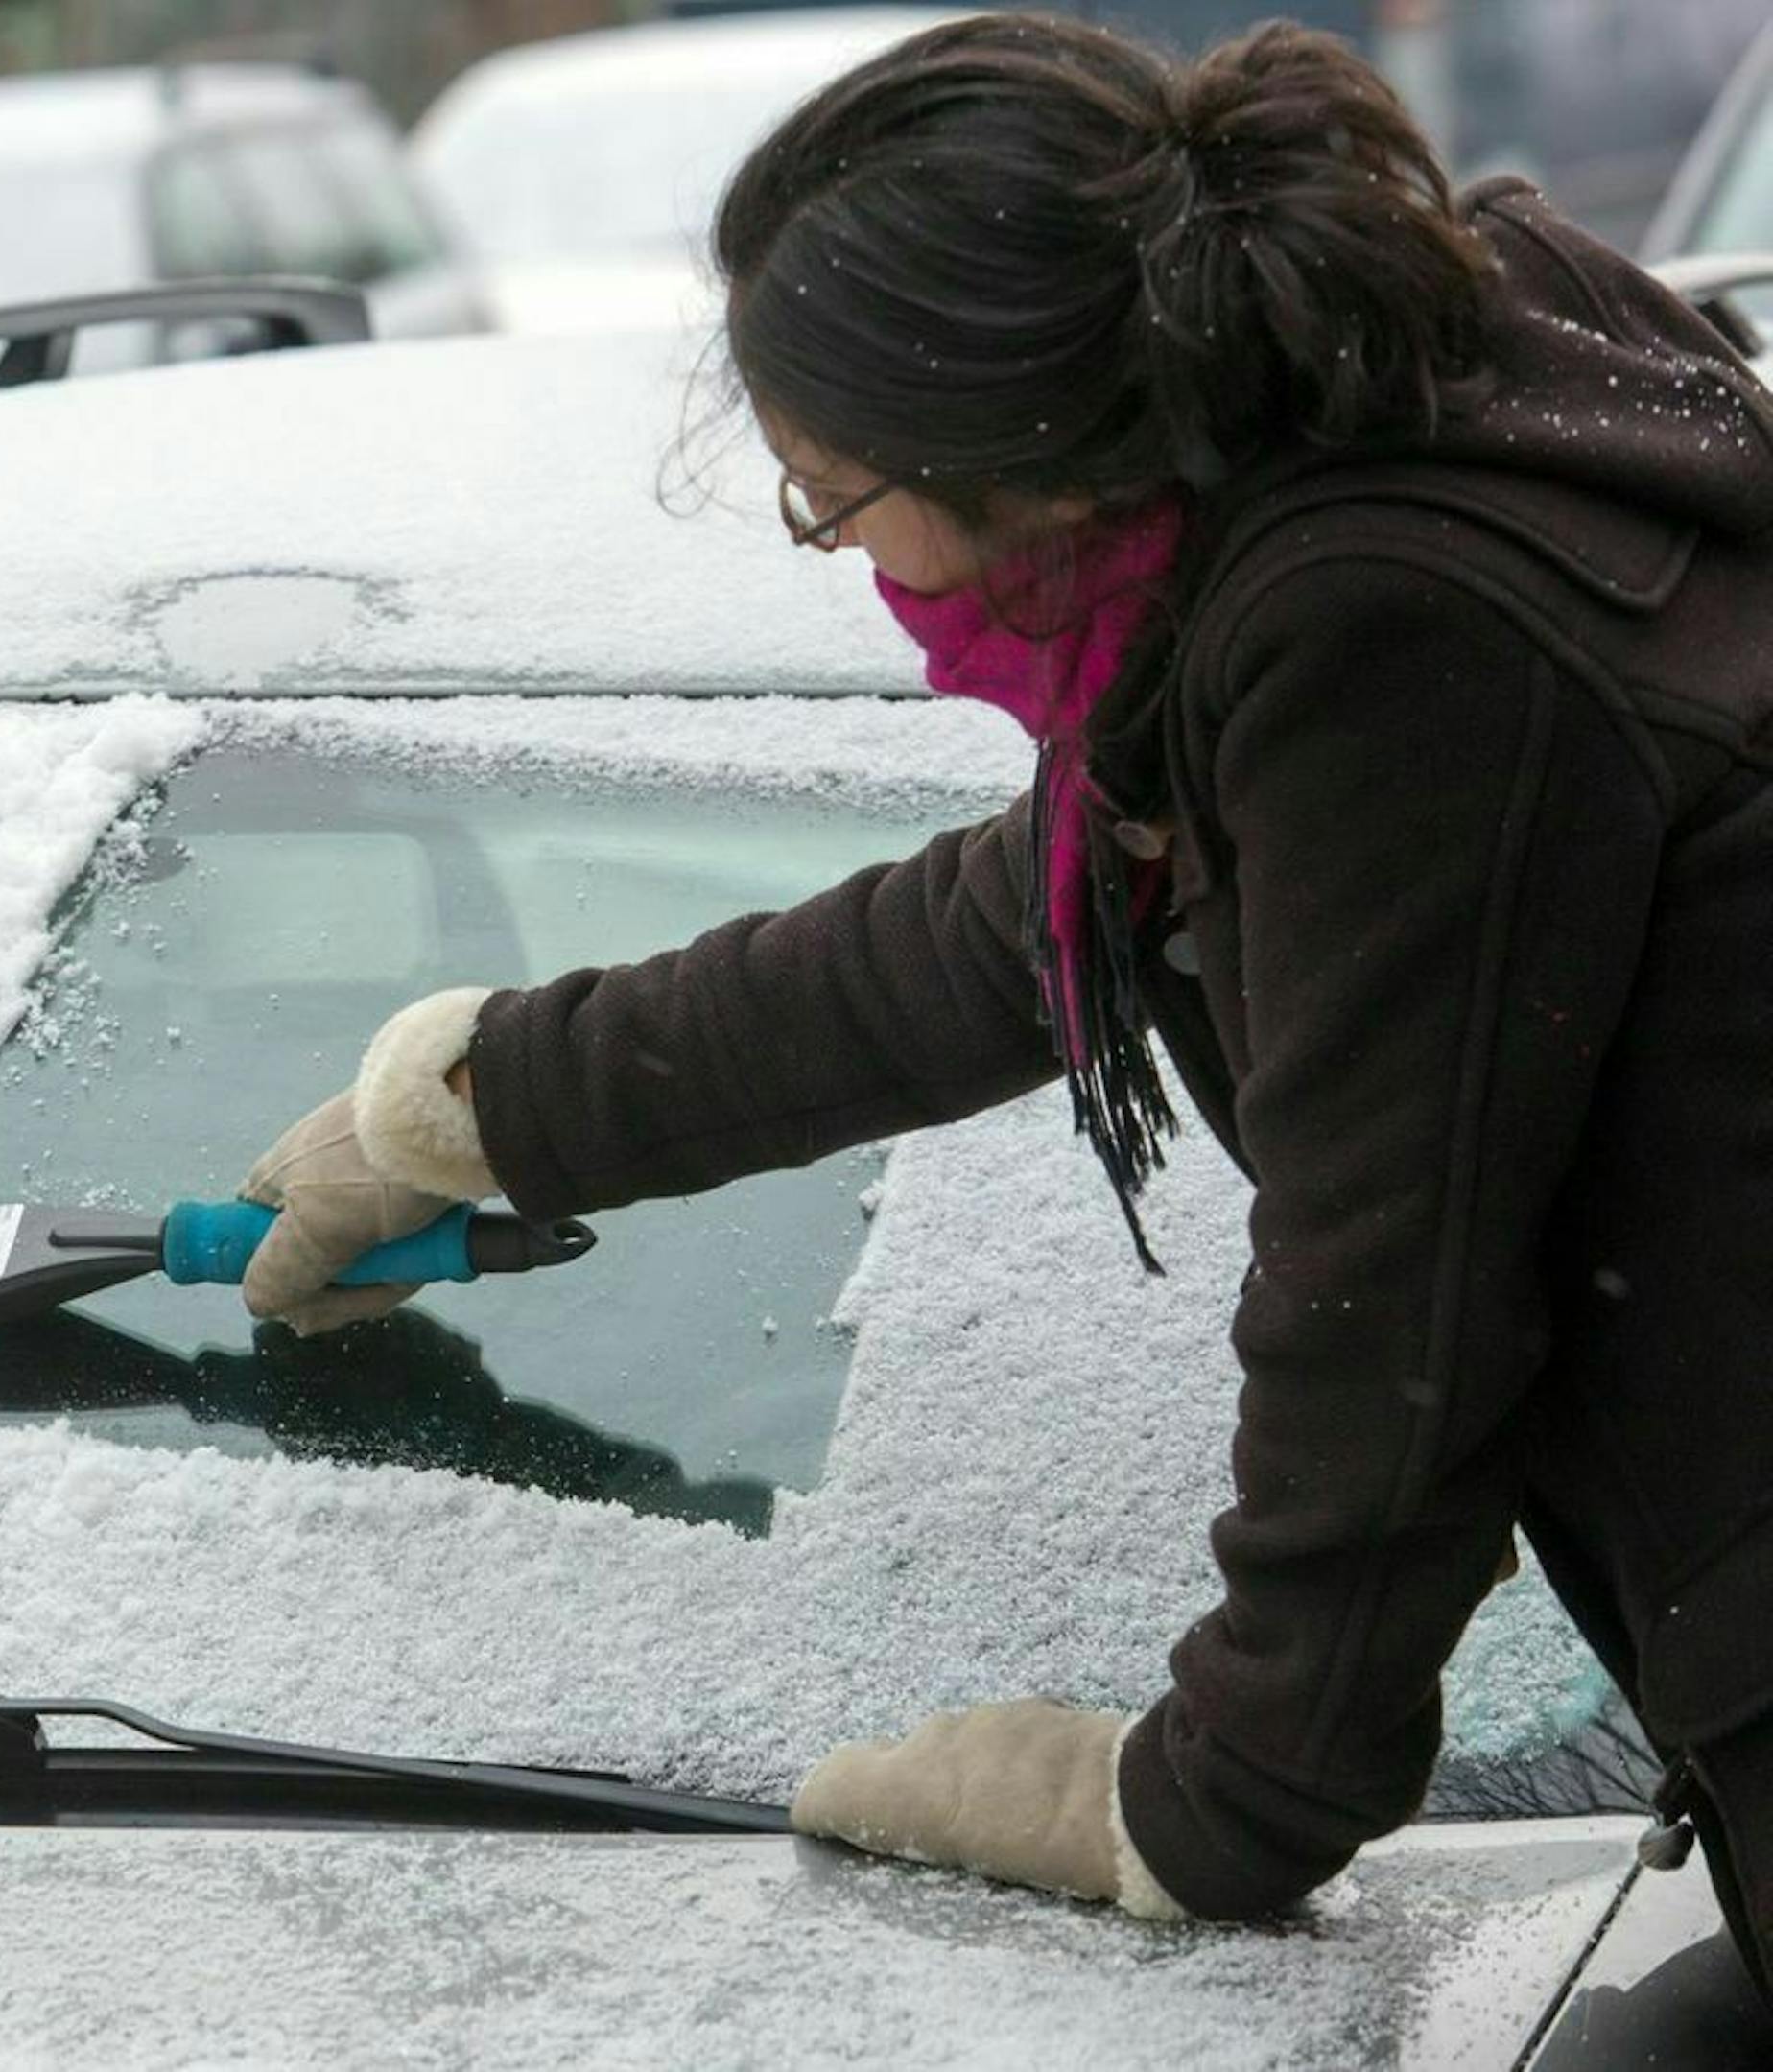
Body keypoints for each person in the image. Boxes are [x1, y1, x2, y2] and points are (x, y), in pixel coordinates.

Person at [235, 12, 1773, 1983]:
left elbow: (1398, 1287)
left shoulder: (1385, 630)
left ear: (1018, 464)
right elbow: (1008, 929)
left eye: (831, 497)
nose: (850, 557)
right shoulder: (1357, 433)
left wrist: (1217, 1799)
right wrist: (492, 1100)